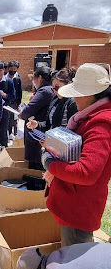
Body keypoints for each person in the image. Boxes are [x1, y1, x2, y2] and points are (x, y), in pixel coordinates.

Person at [42, 63, 111, 247]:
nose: (74, 100)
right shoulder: (90, 117)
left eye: (76, 94)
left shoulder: (101, 124)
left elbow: (86, 172)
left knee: (72, 259)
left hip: (79, 209)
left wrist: (50, 164)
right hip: (74, 203)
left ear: (88, 95)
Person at [19, 66, 53, 169]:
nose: (33, 82)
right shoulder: (51, 89)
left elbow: (28, 111)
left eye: (34, 79)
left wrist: (22, 113)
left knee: (35, 169)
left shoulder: (43, 91)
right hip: (44, 134)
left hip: (37, 136)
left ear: (40, 78)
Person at [27, 67, 77, 133]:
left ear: (69, 84)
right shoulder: (55, 99)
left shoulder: (73, 103)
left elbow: (72, 132)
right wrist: (37, 124)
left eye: (57, 87)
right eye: (53, 88)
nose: (55, 91)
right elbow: (48, 124)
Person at [0, 61, 16, 148]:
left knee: (3, 129)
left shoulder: (9, 82)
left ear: (4, 70)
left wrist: (5, 95)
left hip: (5, 109)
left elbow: (13, 96)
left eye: (0, 70)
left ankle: (4, 147)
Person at [7, 60, 21, 139]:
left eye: (15, 69)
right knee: (8, 118)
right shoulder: (6, 78)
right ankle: (9, 133)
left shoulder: (18, 78)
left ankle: (16, 133)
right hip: (8, 101)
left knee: (15, 118)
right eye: (11, 68)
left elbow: (19, 92)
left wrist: (19, 103)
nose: (13, 70)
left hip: (15, 102)